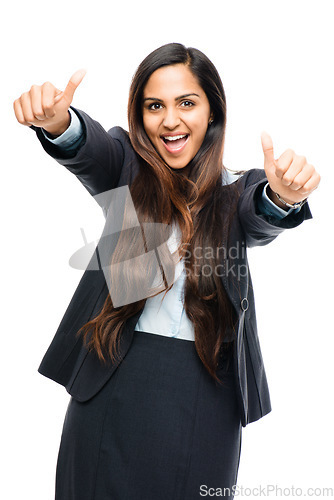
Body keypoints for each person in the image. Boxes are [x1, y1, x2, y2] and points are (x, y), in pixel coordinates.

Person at [13, 43, 320, 500]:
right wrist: (58, 122)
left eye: (187, 103)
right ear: (141, 117)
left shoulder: (240, 190)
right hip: (112, 377)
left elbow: (261, 214)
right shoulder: (127, 170)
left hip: (204, 388)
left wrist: (283, 196)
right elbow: (90, 148)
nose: (170, 120)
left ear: (212, 113)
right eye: (154, 106)